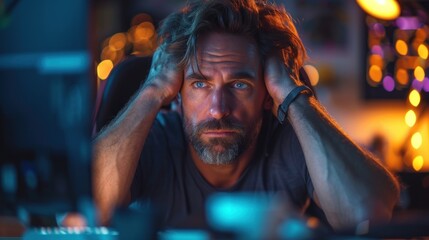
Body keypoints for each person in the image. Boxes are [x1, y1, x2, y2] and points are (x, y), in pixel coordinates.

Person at [91, 0, 399, 231]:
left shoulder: (290, 144)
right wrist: (153, 89)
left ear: (267, 94)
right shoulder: (152, 140)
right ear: (177, 94)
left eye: (239, 84)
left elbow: (369, 214)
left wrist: (292, 93)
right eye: (200, 83)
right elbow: (91, 210)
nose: (219, 108)